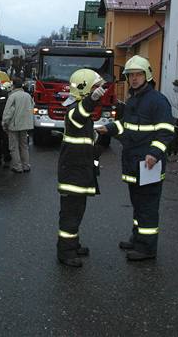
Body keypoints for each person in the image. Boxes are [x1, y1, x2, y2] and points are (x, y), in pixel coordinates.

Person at [96, 55, 175, 261]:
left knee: (147, 207)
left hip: (149, 164)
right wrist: (109, 128)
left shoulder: (158, 101)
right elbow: (126, 125)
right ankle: (138, 238)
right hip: (133, 162)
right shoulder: (133, 100)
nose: (134, 78)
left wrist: (154, 154)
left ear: (147, 75)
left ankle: (147, 248)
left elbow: (166, 132)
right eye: (131, 75)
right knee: (138, 204)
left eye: (138, 74)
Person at [56, 69, 106, 267]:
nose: (98, 91)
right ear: (85, 89)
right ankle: (65, 252)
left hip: (80, 173)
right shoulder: (75, 111)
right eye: (94, 87)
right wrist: (92, 100)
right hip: (73, 175)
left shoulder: (82, 112)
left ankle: (72, 244)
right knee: (70, 215)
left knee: (77, 213)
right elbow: (80, 114)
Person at [2, 77, 34, 173]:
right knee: (24, 145)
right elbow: (31, 108)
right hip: (25, 124)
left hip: (14, 125)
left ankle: (17, 166)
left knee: (14, 147)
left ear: (13, 85)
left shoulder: (12, 96)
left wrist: (5, 123)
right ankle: (26, 165)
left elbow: (9, 112)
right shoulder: (27, 96)